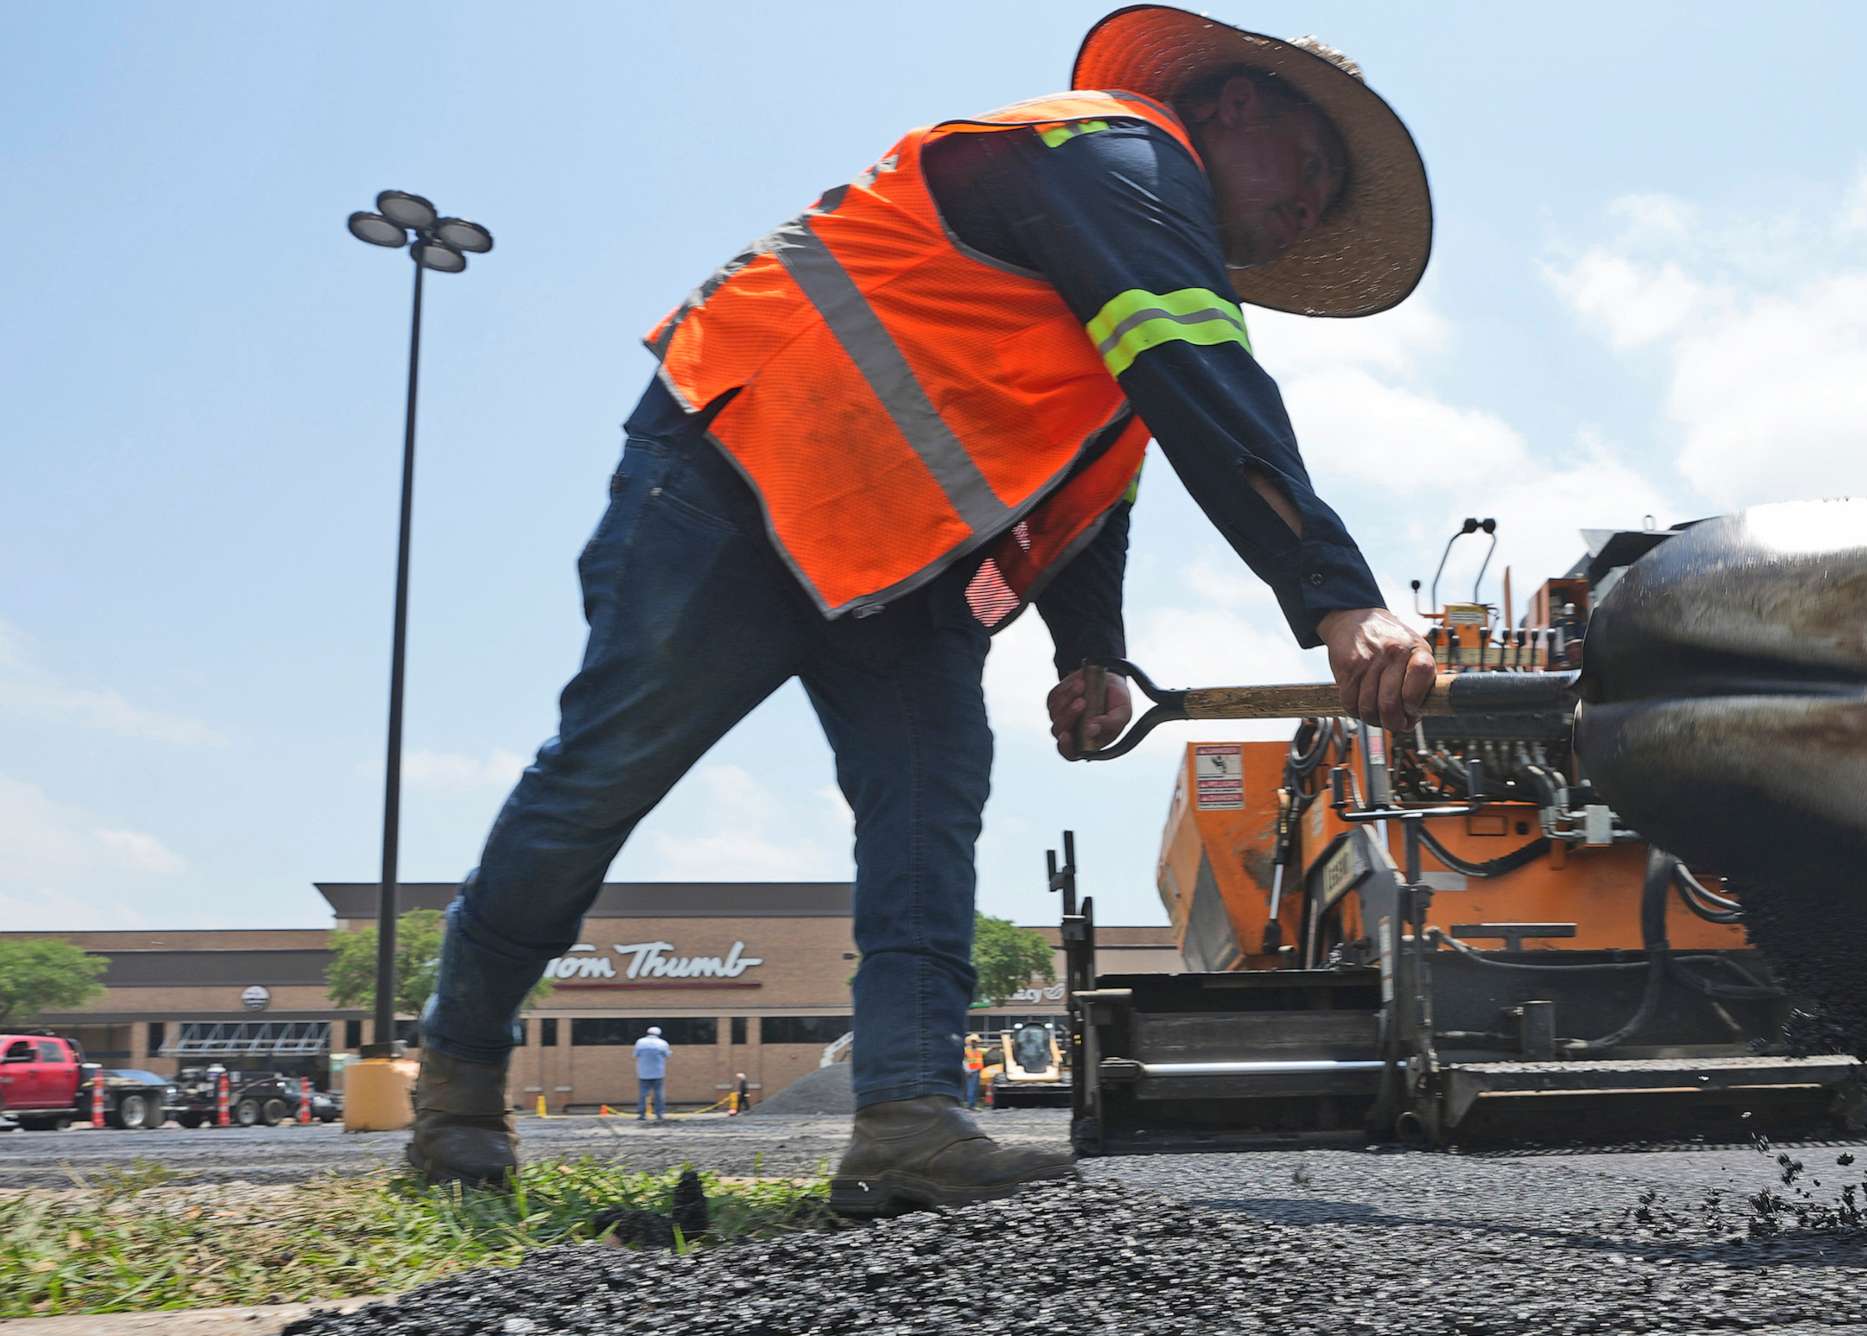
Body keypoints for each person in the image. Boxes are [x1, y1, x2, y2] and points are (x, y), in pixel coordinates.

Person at [404, 6, 1438, 1212]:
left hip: (898, 566)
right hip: (740, 472)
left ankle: (907, 1116)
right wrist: (1340, 598)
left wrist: (1091, 649)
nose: (1309, 207)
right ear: (1236, 106)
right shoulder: (1114, 151)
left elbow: (1100, 471)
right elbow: (1196, 387)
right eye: (1309, 169)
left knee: (928, 809)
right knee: (604, 771)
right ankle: (459, 1085)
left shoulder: (1154, 255)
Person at [632, 1027, 671, 1122]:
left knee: (643, 1094)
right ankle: (659, 1114)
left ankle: (642, 1114)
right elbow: (667, 1055)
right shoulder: (662, 1043)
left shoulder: (640, 1042)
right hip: (658, 1072)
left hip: (643, 1073)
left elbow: (635, 1054)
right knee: (659, 1093)